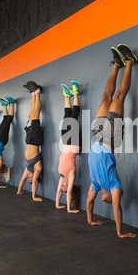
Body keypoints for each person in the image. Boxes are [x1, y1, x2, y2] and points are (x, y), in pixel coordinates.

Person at [86, 44, 138, 239]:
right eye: (105, 201)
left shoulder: (96, 184)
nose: (102, 199)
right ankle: (130, 61)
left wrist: (90, 219)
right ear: (110, 198)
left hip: (96, 136)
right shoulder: (115, 187)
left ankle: (116, 65)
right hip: (110, 139)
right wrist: (119, 232)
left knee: (105, 97)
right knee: (119, 96)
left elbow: (89, 202)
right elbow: (117, 209)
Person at [55, 81, 82, 213]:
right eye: (66, 187)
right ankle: (76, 94)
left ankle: (67, 96)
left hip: (65, 144)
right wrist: (69, 209)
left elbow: (58, 193)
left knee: (66, 119)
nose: (64, 186)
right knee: (74, 118)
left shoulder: (61, 177)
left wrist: (57, 205)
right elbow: (69, 193)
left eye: (63, 187)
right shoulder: (71, 177)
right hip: (74, 144)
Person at [17, 81, 44, 202]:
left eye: (28, 178)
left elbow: (22, 180)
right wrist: (33, 196)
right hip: (35, 139)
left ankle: (32, 94)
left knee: (30, 116)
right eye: (31, 178)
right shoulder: (37, 168)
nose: (28, 177)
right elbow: (35, 184)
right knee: (35, 115)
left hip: (29, 139)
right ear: (35, 178)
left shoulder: (28, 169)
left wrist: (19, 191)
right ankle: (37, 92)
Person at [0, 97, 15, 188]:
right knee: (8, 121)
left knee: (4, 121)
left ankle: (4, 105)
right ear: (0, 169)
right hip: (2, 140)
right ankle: (12, 104)